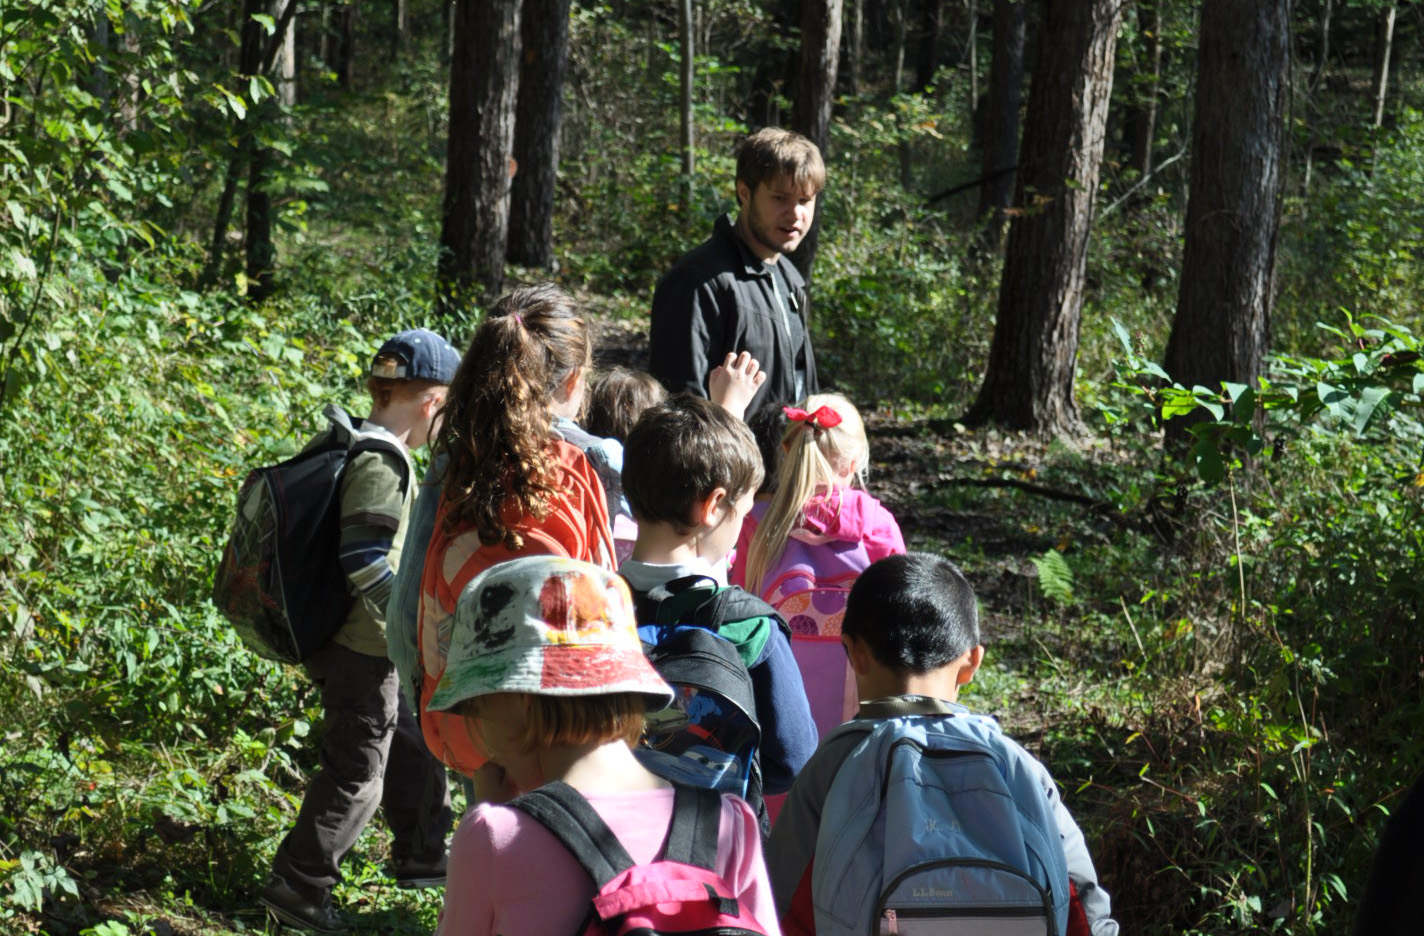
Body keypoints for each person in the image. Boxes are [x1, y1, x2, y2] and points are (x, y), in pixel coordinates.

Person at [426, 556, 783, 936]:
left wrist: (495, 811)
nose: (483, 737)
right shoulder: (729, 824)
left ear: (518, 698)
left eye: (478, 710)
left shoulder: (493, 837)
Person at [765, 553, 1118, 936]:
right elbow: (1082, 905)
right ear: (972, 663)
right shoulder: (1017, 767)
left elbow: (781, 907)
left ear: (854, 653)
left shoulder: (835, 764)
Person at [259, 329, 459, 934]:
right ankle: (299, 885)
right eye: (445, 411)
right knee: (356, 774)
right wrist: (411, 619)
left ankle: (422, 854)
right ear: (430, 404)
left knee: (411, 736)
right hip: (361, 647)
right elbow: (366, 559)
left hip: (365, 644)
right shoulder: (383, 461)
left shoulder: (357, 440)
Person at [415, 286, 615, 779]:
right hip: (559, 723)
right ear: (573, 380)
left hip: (469, 717)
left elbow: (411, 605)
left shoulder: (456, 461)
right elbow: (606, 589)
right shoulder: (586, 463)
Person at [619, 394, 817, 796]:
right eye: (741, 513)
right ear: (713, 506)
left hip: (598, 839)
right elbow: (795, 759)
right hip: (710, 845)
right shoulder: (750, 628)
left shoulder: (588, 607)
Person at [649, 127, 824, 417]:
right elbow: (679, 407)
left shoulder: (790, 278)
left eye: (805, 201)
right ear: (745, 192)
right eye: (780, 198)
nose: (795, 214)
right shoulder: (698, 281)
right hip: (729, 461)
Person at [731, 392, 904, 620]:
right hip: (856, 654)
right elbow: (901, 604)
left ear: (787, 449)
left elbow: (739, 601)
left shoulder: (756, 521)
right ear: (852, 464)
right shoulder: (877, 523)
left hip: (778, 654)